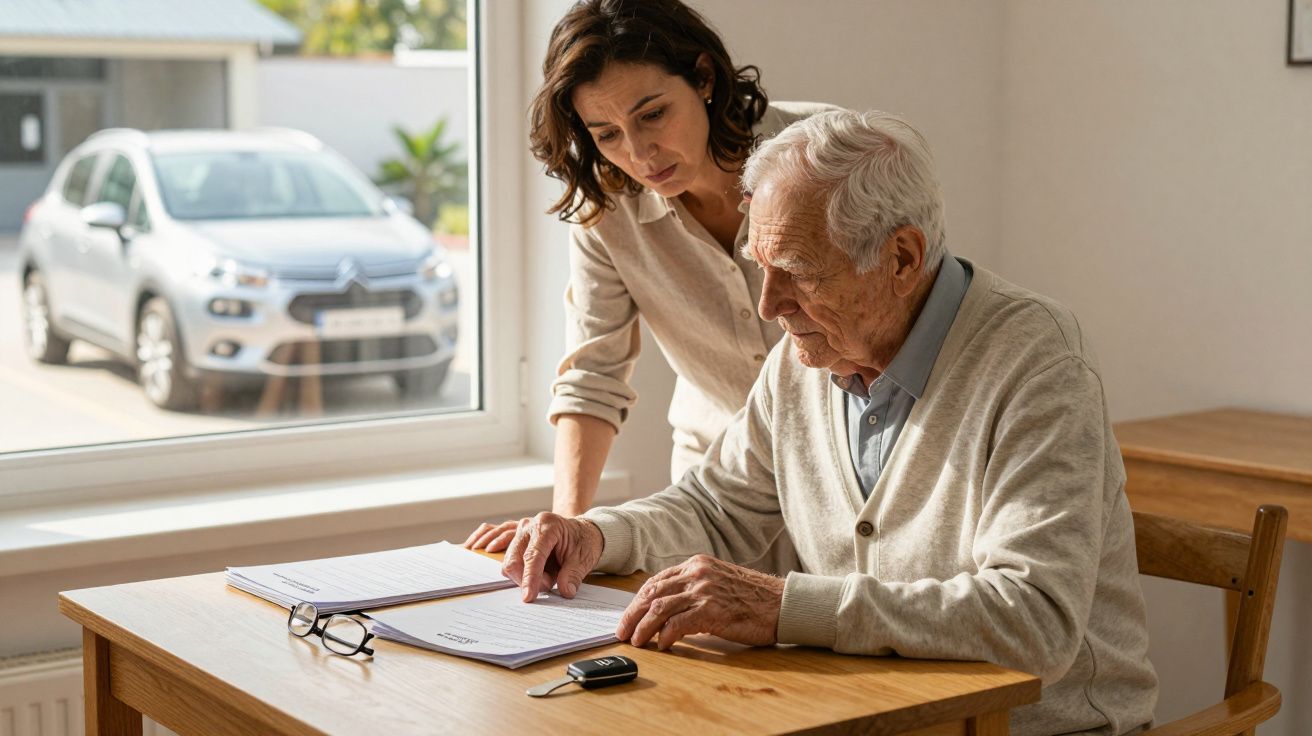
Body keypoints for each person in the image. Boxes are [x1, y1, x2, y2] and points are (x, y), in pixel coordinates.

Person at [500, 110, 1158, 735]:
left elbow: (1035, 620)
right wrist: (595, 535)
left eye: (799, 274)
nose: (770, 304)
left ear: (901, 259)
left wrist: (783, 606)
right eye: (762, 268)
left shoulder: (1038, 361)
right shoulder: (804, 359)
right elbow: (713, 507)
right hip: (871, 713)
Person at [463, 0, 836, 574]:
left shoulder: (826, 156)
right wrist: (569, 528)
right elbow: (593, 377)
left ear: (705, 78)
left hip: (852, 472)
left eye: (653, 115)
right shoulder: (606, 213)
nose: (639, 155)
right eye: (606, 133)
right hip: (716, 489)